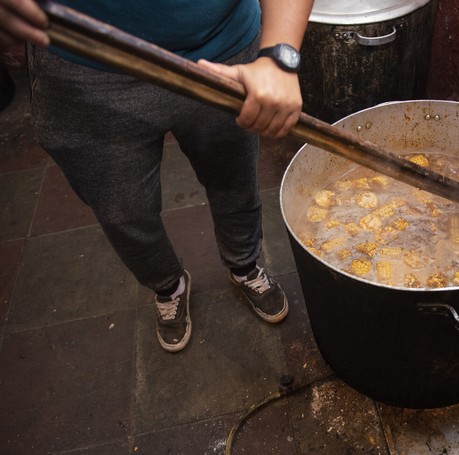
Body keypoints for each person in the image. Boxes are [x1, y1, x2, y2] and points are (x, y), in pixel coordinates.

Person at [0, 0, 314, 352]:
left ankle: (244, 265)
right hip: (83, 65)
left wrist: (279, 55)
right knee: (124, 211)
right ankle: (168, 286)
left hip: (222, 50)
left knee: (235, 181)